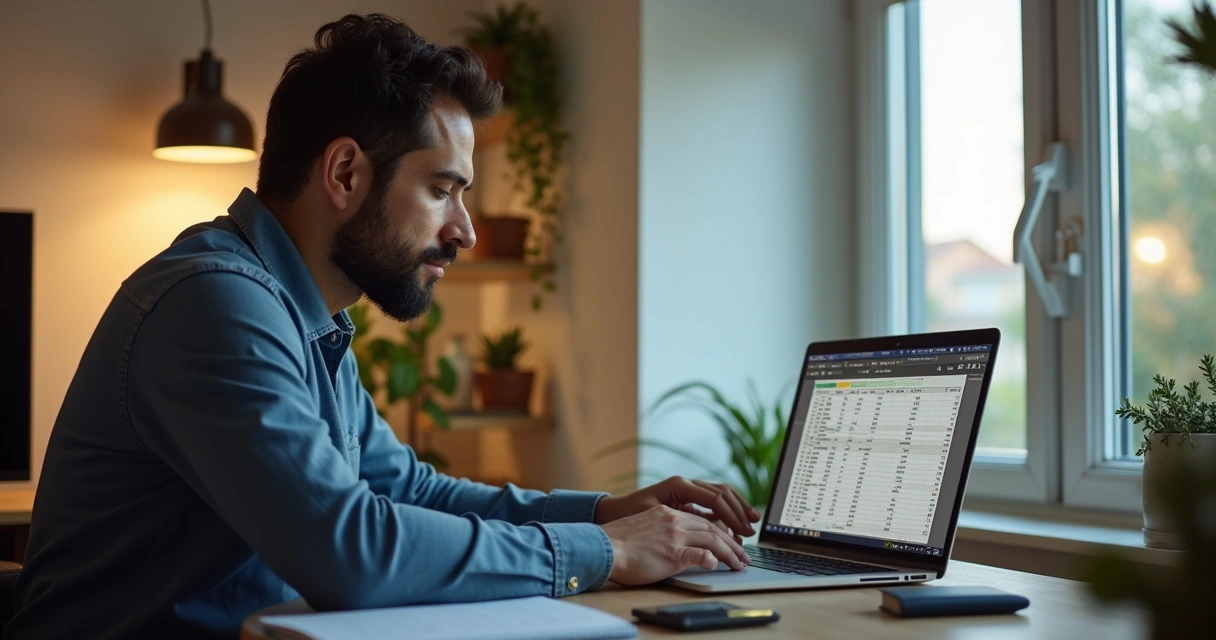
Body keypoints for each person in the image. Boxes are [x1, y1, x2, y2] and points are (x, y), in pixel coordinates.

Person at [4, 14, 756, 640]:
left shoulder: (305, 317)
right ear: (344, 174)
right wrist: (605, 550)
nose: (464, 229)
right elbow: (351, 552)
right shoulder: (216, 305)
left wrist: (604, 512)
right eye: (441, 189)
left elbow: (409, 492)